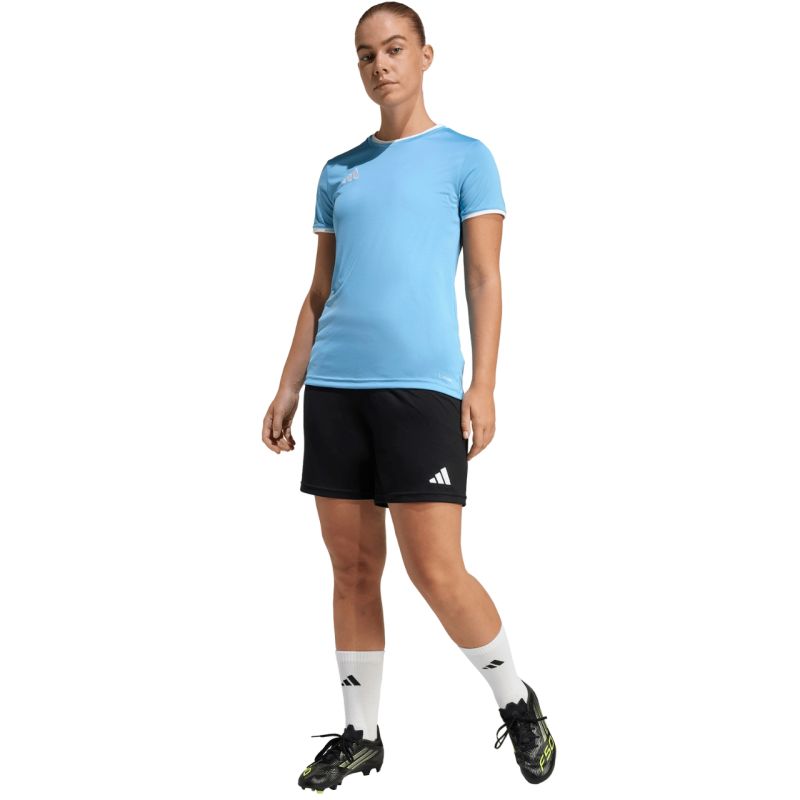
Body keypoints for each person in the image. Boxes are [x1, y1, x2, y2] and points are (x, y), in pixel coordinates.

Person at [262, 2, 556, 791]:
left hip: (421, 391)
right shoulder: (338, 170)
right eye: (366, 54)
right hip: (335, 389)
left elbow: (485, 277)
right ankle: (362, 734)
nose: (380, 65)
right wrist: (288, 386)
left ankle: (516, 699)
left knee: (436, 570)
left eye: (394, 49)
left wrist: (483, 382)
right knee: (353, 568)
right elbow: (319, 292)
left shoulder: (466, 157)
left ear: (426, 55)